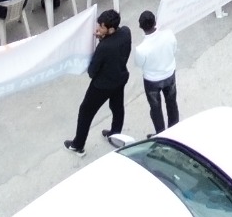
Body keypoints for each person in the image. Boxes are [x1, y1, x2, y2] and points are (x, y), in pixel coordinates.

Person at [64, 9, 133, 153]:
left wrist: (101, 40)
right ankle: (115, 134)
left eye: (101, 27)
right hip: (120, 79)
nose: (98, 29)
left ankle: (78, 144)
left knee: (85, 111)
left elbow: (92, 71)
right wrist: (104, 37)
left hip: (102, 86)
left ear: (111, 29)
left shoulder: (104, 47)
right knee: (117, 108)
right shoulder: (126, 32)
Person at [133, 11, 179, 135]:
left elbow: (139, 64)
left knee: (155, 109)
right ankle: (174, 132)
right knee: (172, 104)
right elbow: (174, 49)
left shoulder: (141, 49)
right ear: (155, 22)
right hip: (169, 75)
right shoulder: (169, 35)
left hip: (152, 81)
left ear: (141, 27)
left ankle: (160, 134)